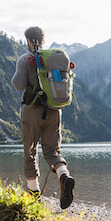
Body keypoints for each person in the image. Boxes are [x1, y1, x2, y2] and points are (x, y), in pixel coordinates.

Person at [12, 26, 75, 209]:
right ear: (43, 39)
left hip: (33, 110)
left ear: (29, 41)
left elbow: (18, 84)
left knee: (30, 151)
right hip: (54, 110)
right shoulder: (55, 59)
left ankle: (33, 194)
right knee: (52, 151)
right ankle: (64, 175)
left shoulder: (26, 59)